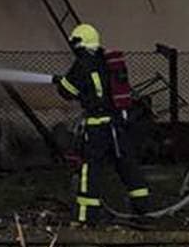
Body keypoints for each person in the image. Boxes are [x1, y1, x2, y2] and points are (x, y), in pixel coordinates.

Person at [54, 23, 150, 223]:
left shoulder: (83, 63)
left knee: (90, 169)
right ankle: (143, 212)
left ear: (80, 44)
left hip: (97, 127)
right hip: (117, 125)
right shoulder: (107, 61)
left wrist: (60, 82)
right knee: (127, 166)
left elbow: (67, 92)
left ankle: (86, 217)